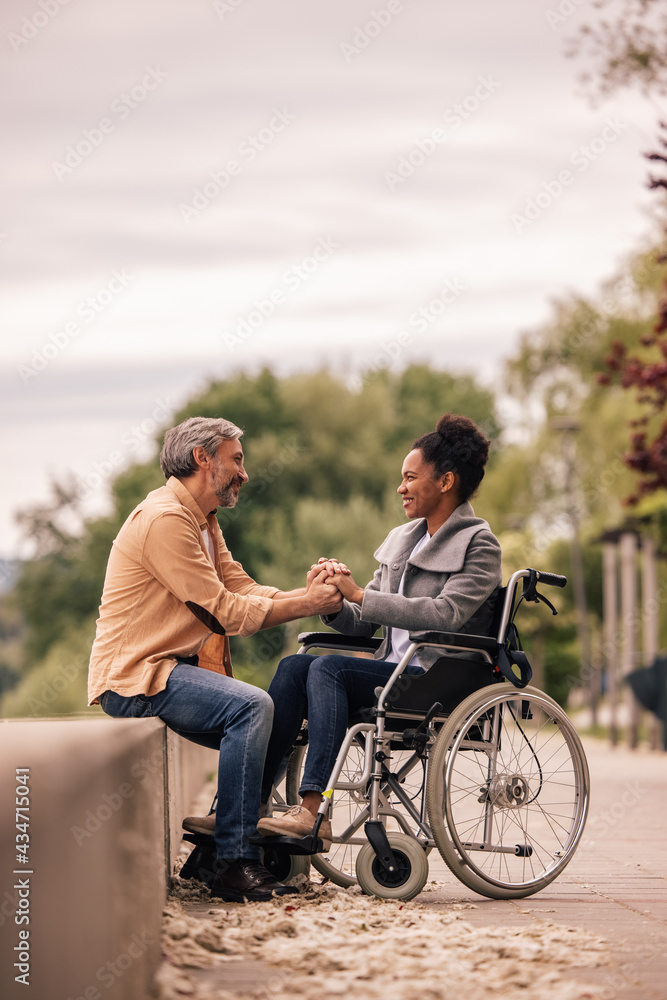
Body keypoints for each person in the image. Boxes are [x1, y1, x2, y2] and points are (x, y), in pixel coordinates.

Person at [87, 416, 341, 902]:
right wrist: (306, 605)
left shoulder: (201, 520)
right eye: (237, 459)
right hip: (137, 677)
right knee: (251, 708)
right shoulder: (165, 520)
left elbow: (242, 588)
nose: (244, 473)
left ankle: (207, 854)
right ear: (203, 459)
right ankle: (234, 861)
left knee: (281, 703)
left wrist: (308, 594)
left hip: (171, 670)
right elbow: (224, 612)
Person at [256, 412, 502, 845]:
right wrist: (329, 598)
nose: (400, 488)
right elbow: (362, 620)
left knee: (327, 669)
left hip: (433, 678)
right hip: (390, 671)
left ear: (445, 482)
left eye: (410, 478)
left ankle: (313, 811)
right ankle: (248, 805)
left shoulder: (479, 544)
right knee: (297, 668)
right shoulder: (402, 540)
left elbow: (445, 615)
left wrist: (359, 595)